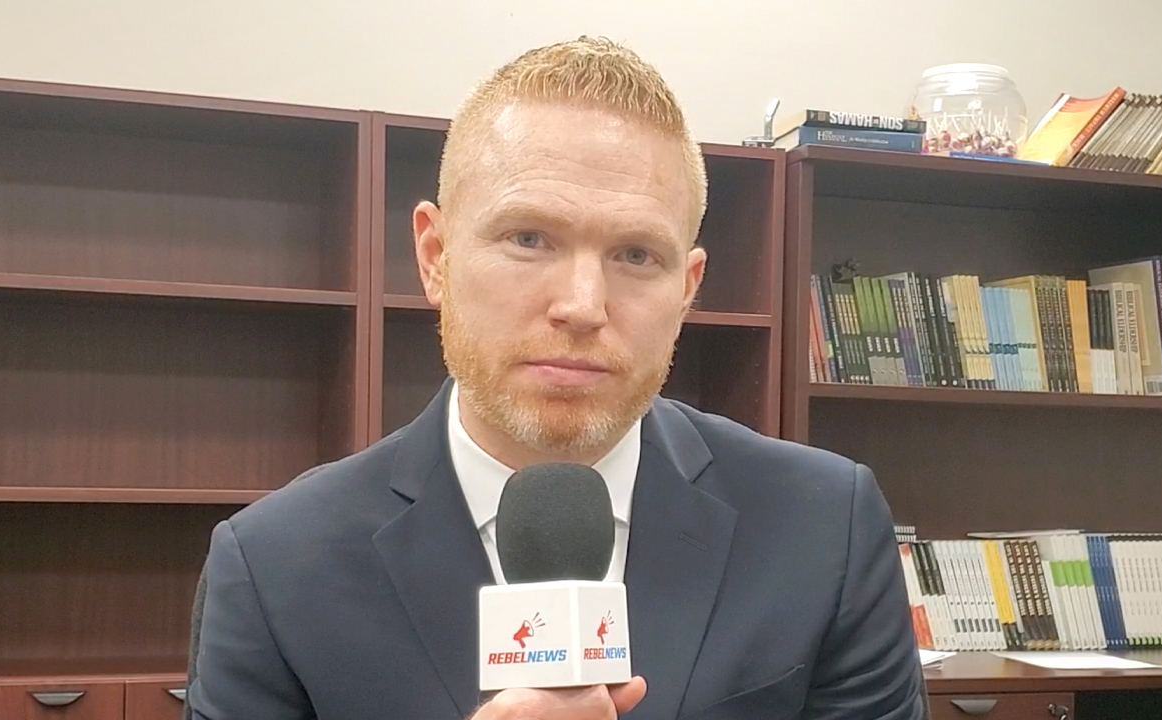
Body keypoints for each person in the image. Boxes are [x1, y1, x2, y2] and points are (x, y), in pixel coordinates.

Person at [187, 36, 924, 720]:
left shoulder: (825, 528)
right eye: (529, 238)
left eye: (636, 255)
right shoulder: (274, 567)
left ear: (688, 286)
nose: (582, 306)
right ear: (435, 256)